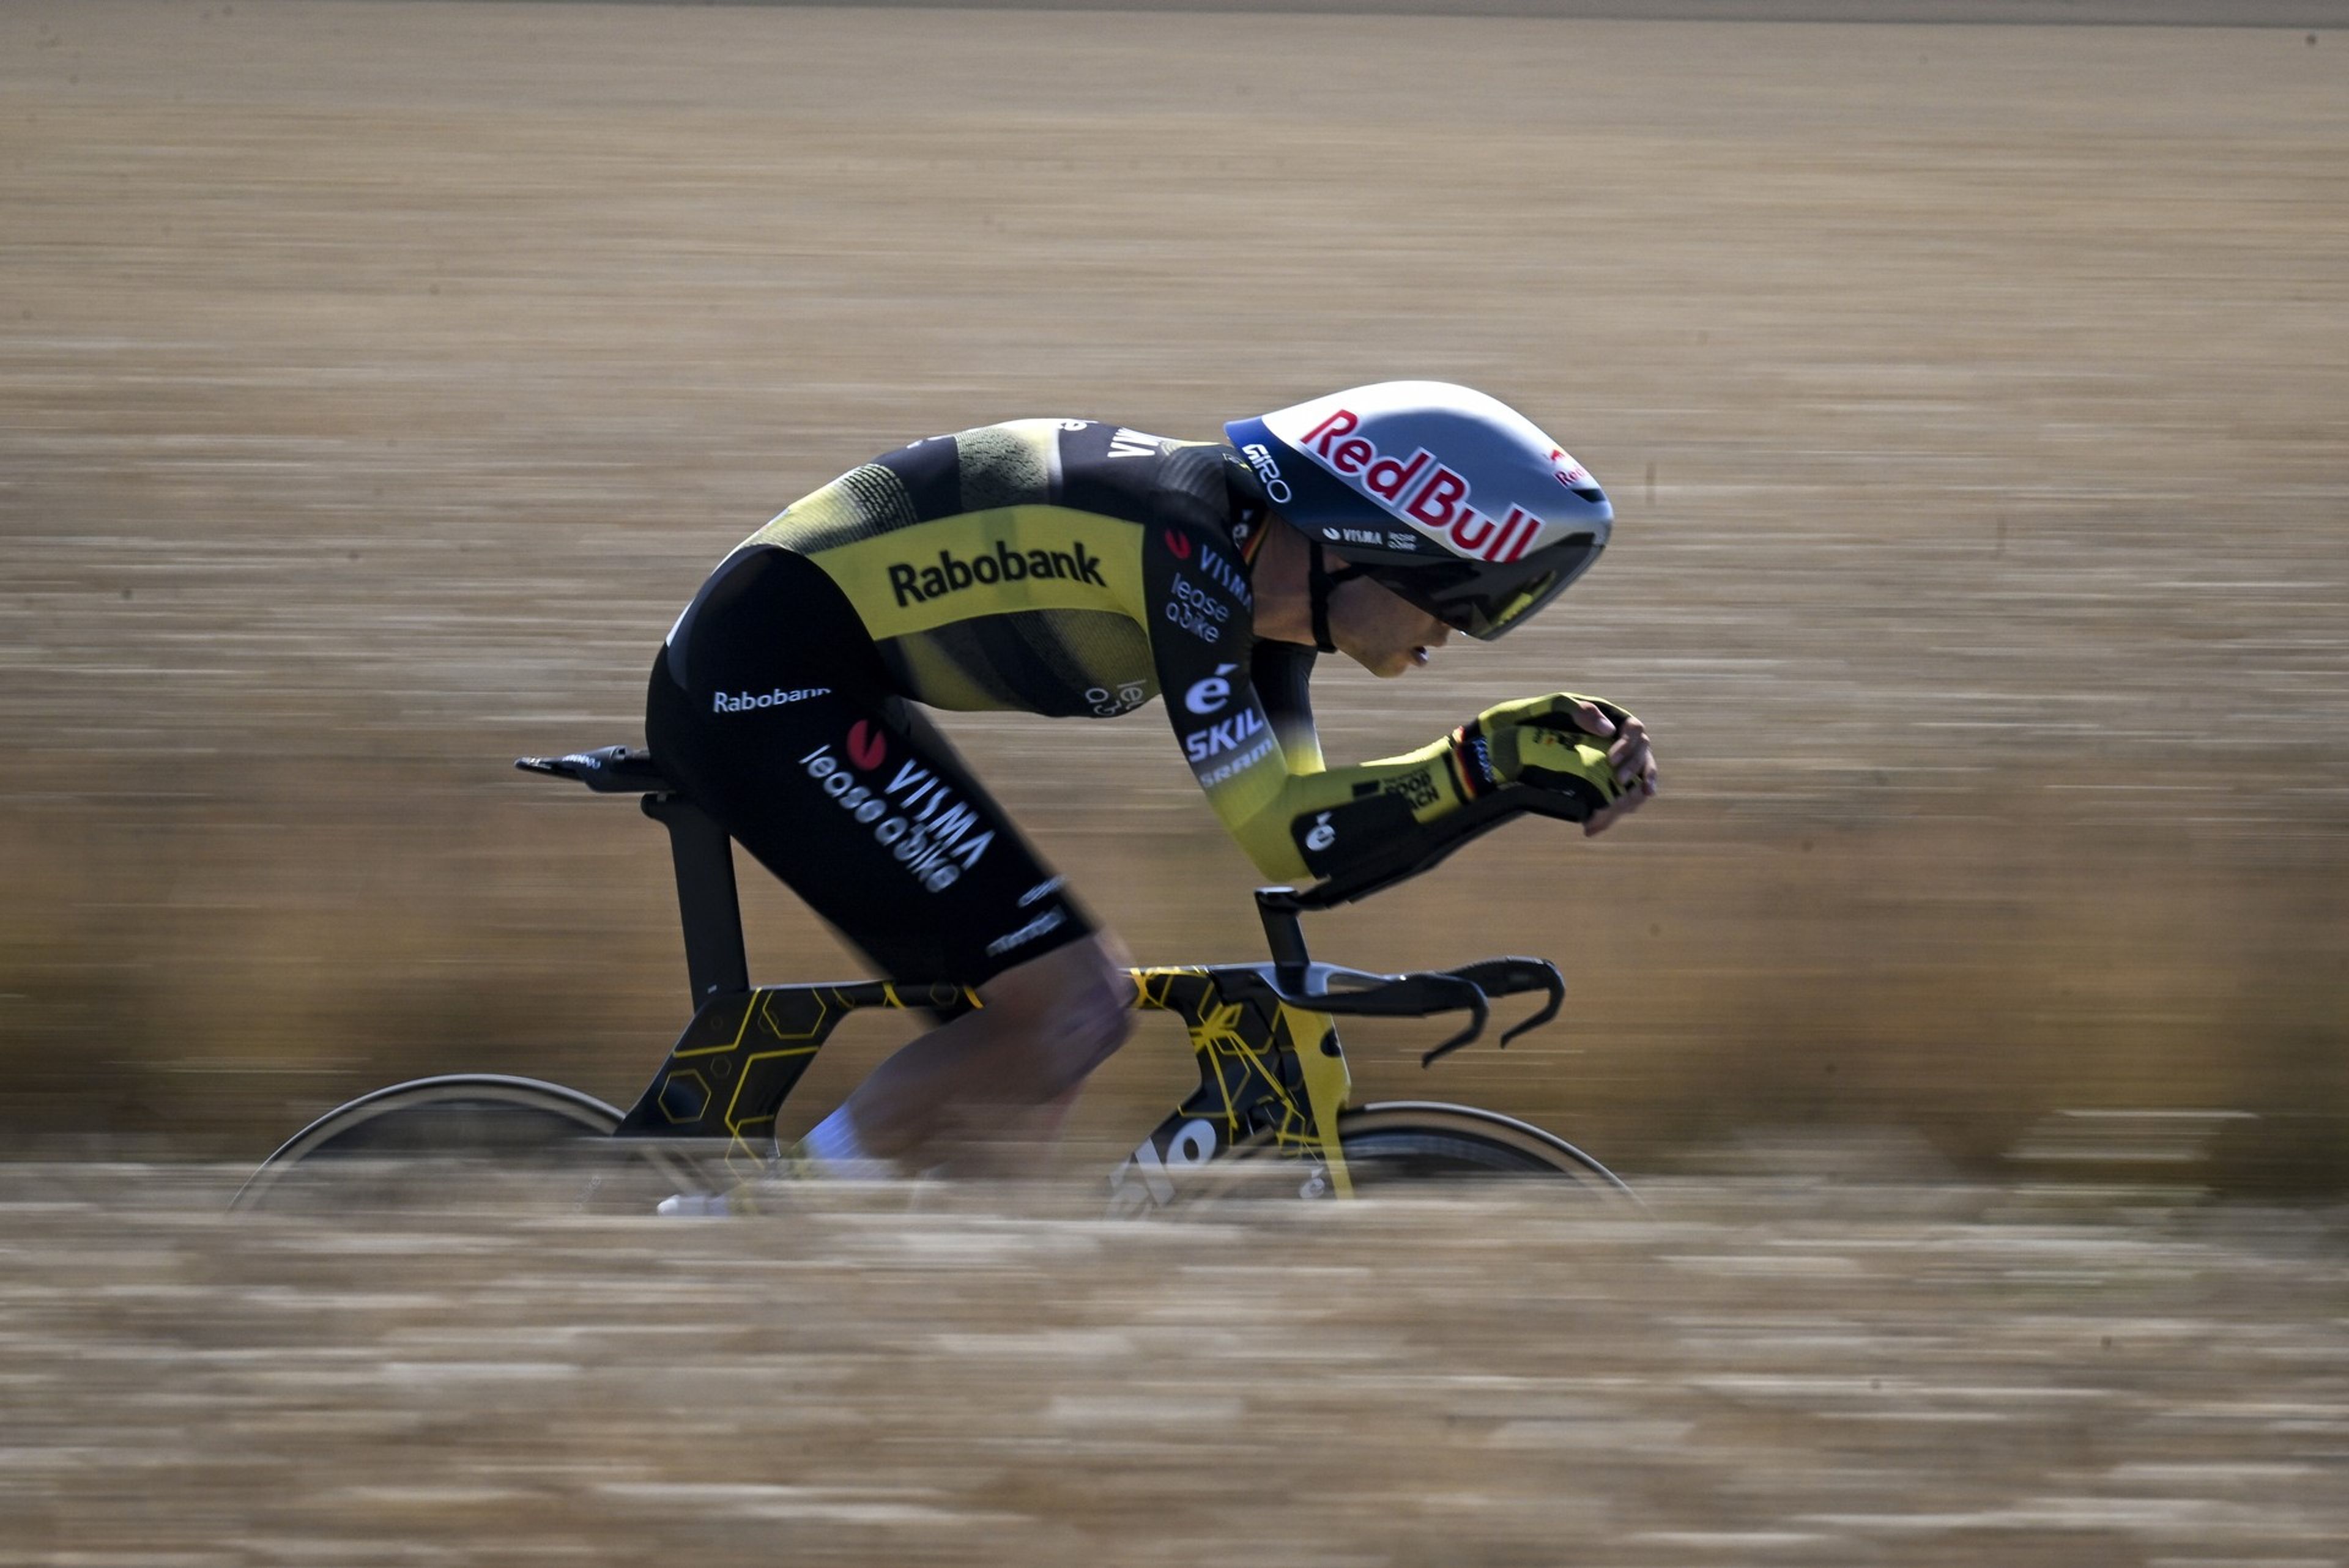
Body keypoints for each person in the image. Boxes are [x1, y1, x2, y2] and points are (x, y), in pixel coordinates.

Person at [645, 380, 1657, 1184]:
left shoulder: (1264, 603)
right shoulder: (1189, 550)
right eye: (1460, 601)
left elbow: (1309, 842)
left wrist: (1494, 777)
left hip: (820, 680)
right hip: (758, 685)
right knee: (1075, 1010)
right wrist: (1482, 762)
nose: (1458, 634)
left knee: (1030, 1075)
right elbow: (1284, 834)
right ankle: (769, 1237)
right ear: (1380, 549)